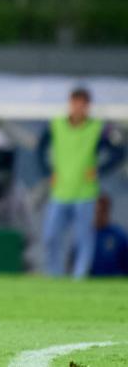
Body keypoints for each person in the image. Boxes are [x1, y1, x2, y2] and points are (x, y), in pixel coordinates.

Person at [37, 87, 125, 279]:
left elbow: (119, 151)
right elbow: (40, 148)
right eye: (75, 104)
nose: (78, 108)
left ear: (87, 106)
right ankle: (55, 276)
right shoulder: (56, 125)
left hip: (85, 193)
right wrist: (47, 171)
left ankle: (79, 277)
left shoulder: (98, 128)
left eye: (82, 105)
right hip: (60, 191)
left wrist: (100, 169)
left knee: (83, 238)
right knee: (50, 236)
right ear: (70, 104)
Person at [89, 194, 128, 277]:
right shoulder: (85, 236)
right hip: (91, 284)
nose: (98, 215)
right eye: (95, 212)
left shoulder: (118, 235)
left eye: (101, 211)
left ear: (107, 211)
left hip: (114, 283)